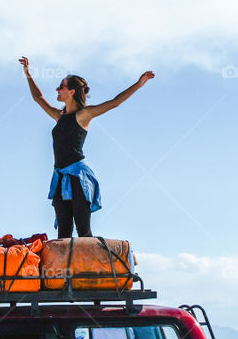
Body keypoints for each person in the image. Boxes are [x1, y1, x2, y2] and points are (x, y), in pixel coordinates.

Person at [19, 58, 155, 238]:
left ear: (72, 92)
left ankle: (92, 266)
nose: (57, 90)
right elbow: (38, 98)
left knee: (83, 231)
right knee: (64, 233)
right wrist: (28, 74)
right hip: (60, 177)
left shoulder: (83, 115)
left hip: (78, 177)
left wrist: (138, 84)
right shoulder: (59, 116)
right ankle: (66, 267)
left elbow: (114, 102)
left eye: (61, 86)